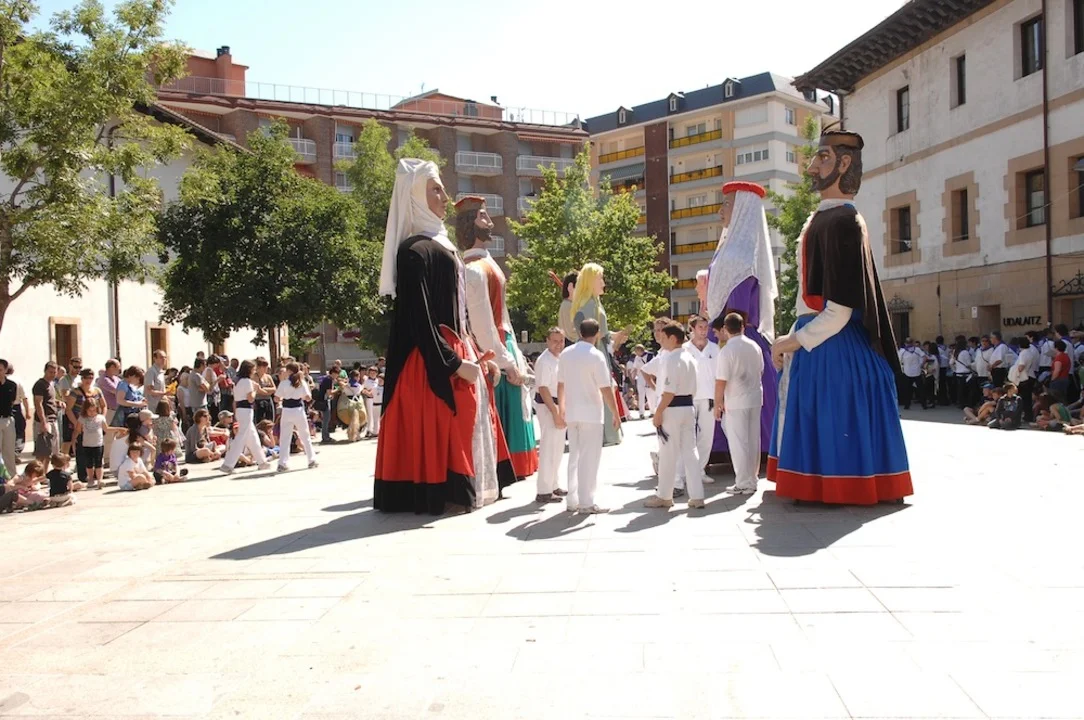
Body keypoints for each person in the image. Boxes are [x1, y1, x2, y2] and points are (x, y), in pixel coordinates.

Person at [769, 127, 912, 505]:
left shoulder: (843, 221)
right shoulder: (829, 218)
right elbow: (812, 299)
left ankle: (830, 483)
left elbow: (839, 308)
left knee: (827, 408)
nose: (812, 167)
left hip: (832, 341)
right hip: (823, 335)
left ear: (844, 163)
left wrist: (793, 340)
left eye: (823, 158)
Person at [374, 158, 510, 514]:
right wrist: (452, 363)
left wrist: (476, 352)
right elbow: (419, 320)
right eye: (436, 189)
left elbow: (461, 312)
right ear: (416, 195)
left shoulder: (443, 246)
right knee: (448, 421)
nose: (445, 197)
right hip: (428, 362)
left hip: (458, 349)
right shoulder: (413, 251)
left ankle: (465, 488)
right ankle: (438, 491)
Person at [457, 195, 538, 481]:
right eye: (482, 216)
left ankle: (516, 466)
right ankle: (507, 468)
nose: (490, 221)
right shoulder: (474, 269)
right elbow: (482, 324)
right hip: (495, 349)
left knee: (518, 410)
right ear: (469, 223)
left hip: (504, 344)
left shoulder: (483, 264)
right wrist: (505, 361)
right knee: (508, 413)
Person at [700, 180, 779, 464]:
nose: (720, 211)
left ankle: (740, 453)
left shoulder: (740, 256)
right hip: (726, 332)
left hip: (732, 333)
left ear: (743, 209)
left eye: (727, 204)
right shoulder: (732, 250)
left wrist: (721, 328)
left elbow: (738, 306)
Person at [558, 318, 620, 514]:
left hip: (572, 411)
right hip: (591, 413)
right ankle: (586, 501)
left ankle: (572, 499)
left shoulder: (566, 353)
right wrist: (616, 413)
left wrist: (561, 407)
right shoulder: (596, 356)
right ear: (597, 333)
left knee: (574, 456)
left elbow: (561, 383)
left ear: (579, 332)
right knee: (590, 458)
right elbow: (605, 388)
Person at [643, 323, 706, 510]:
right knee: (690, 452)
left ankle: (664, 495)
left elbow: (669, 392)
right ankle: (697, 496)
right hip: (688, 406)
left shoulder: (672, 359)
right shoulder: (690, 358)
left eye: (663, 337)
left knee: (668, 453)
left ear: (672, 338)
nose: (661, 341)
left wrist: (659, 412)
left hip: (672, 408)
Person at [571, 263, 628, 447]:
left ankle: (608, 433)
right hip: (595, 351)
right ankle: (607, 434)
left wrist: (613, 335)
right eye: (600, 278)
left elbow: (599, 331)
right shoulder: (589, 305)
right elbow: (590, 332)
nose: (603, 282)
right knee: (602, 389)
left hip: (597, 349)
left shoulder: (593, 303)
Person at [714, 312, 765, 495]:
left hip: (736, 399)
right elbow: (760, 371)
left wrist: (718, 403)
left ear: (725, 329)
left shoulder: (727, 351)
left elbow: (721, 380)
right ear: (743, 327)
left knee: (738, 443)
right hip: (755, 397)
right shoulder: (755, 346)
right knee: (753, 440)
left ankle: (743, 482)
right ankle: (752, 479)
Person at [533, 328, 568, 504]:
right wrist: (555, 413)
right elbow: (543, 388)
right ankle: (544, 490)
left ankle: (553, 484)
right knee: (548, 448)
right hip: (548, 405)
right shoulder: (544, 361)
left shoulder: (560, 358)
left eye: (561, 341)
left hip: (559, 403)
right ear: (547, 340)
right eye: (555, 341)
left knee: (558, 448)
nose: (558, 345)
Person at [683, 315, 718, 487]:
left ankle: (700, 470)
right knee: (687, 436)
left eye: (706, 327)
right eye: (700, 327)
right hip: (688, 397)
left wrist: (720, 398)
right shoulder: (684, 349)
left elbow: (720, 374)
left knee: (706, 436)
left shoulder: (715, 348)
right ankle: (685, 472)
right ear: (692, 329)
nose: (704, 331)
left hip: (709, 397)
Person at [220, 360, 271, 474]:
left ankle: (262, 461)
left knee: (253, 437)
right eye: (253, 369)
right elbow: (251, 398)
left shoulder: (237, 381)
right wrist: (255, 390)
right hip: (246, 410)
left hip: (240, 409)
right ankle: (228, 464)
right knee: (241, 438)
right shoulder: (247, 382)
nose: (254, 371)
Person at [276, 362, 318, 472]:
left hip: (286, 410)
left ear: (289, 371)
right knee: (305, 435)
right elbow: (308, 397)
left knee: (285, 438)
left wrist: (284, 396)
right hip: (298, 410)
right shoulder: (301, 382)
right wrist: (299, 395)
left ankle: (282, 463)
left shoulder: (284, 383)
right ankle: (311, 459)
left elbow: (276, 398)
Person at [76, 398, 107, 490]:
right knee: (89, 463)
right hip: (87, 444)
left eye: (94, 410)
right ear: (85, 410)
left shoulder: (101, 418)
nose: (92, 412)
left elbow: (106, 428)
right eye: (90, 410)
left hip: (98, 444)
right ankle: (90, 479)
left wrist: (118, 429)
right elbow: (78, 429)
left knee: (99, 462)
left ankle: (100, 480)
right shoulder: (82, 418)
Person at [32, 361, 60, 462]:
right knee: (42, 452)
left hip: (53, 419)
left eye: (54, 372)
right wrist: (43, 422)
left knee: (52, 452)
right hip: (44, 420)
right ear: (45, 371)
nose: (52, 374)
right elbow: (38, 403)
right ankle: (40, 471)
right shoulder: (40, 384)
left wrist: (58, 402)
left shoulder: (51, 384)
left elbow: (49, 400)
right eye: (50, 372)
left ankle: (46, 471)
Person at [1012, 336, 1039, 422]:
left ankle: (1024, 416)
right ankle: (1028, 416)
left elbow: (1021, 366)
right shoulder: (1030, 352)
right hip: (1030, 376)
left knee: (1022, 398)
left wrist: (1016, 372)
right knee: (1027, 399)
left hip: (1024, 378)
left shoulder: (1023, 353)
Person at [0, 359, 18, 475]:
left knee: (9, 450)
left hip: (7, 420)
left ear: (5, 370)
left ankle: (11, 476)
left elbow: (12, 401)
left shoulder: (12, 385)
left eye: (0, 370)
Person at [898, 339, 926, 410]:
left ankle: (907, 405)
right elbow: (924, 357)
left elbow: (899, 360)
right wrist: (921, 365)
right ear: (912, 343)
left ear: (905, 343)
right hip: (917, 372)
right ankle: (924, 405)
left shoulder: (902, 351)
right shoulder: (917, 349)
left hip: (907, 372)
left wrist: (902, 367)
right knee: (921, 389)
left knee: (907, 390)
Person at [627, 345, 651, 419]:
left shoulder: (650, 355)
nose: (635, 352)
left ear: (640, 350)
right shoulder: (637, 358)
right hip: (640, 376)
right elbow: (635, 368)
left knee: (650, 394)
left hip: (648, 376)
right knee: (641, 395)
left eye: (636, 351)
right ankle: (641, 413)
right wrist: (633, 378)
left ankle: (653, 411)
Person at [558, 271, 579, 343]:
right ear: (570, 287)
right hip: (572, 344)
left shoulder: (569, 304)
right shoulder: (568, 306)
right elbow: (571, 333)